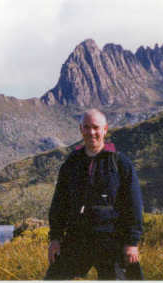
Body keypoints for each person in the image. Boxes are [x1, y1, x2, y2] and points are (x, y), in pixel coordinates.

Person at [44, 109, 144, 280]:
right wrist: (55, 238)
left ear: (105, 129)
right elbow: (59, 204)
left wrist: (132, 243)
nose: (91, 132)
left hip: (112, 239)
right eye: (87, 127)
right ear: (80, 129)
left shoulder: (120, 163)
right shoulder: (71, 164)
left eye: (96, 127)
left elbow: (133, 205)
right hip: (77, 238)